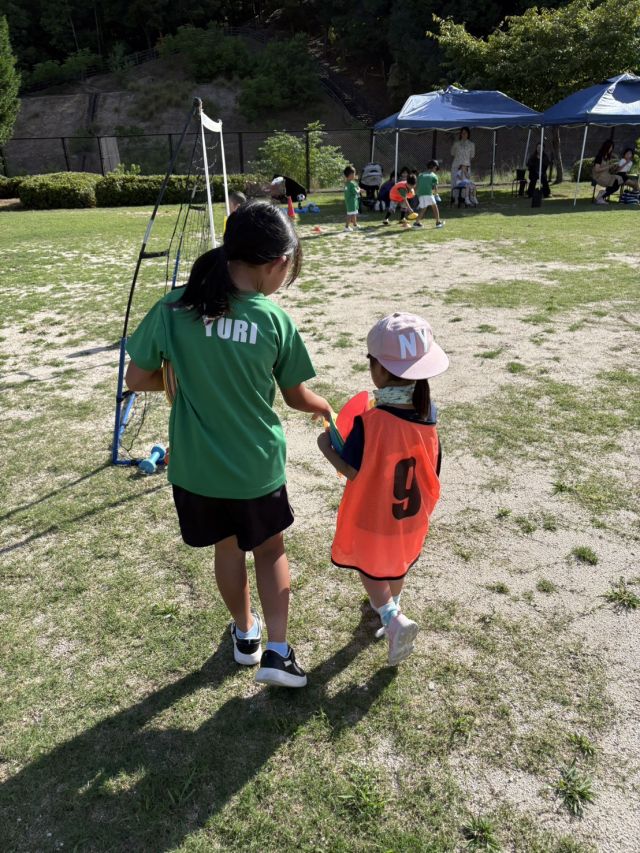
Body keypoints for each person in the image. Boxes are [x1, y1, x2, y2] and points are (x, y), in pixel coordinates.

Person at [125, 201, 331, 689]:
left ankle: (245, 637)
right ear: (278, 262)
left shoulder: (175, 308)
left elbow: (137, 377)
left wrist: (180, 379)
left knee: (227, 548)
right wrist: (323, 406)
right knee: (269, 549)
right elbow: (296, 395)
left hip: (197, 470)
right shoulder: (272, 320)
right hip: (255, 467)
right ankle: (277, 653)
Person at [317, 312, 449, 665]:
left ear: (377, 369)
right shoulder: (429, 414)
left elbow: (352, 469)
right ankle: (391, 606)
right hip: (409, 517)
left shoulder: (368, 423)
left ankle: (391, 617)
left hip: (374, 515)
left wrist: (325, 446)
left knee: (370, 567)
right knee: (394, 566)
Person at [592, 140, 624, 204]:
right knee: (616, 182)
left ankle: (601, 196)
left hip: (606, 175)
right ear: (606, 147)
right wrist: (609, 166)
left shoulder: (607, 157)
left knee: (617, 182)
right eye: (610, 147)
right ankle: (601, 196)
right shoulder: (599, 157)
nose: (611, 149)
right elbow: (596, 169)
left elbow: (608, 170)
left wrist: (614, 167)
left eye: (612, 147)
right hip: (599, 176)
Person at [416, 159, 445, 227]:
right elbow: (435, 186)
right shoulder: (434, 175)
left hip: (420, 194)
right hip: (428, 193)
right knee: (435, 207)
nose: (436, 169)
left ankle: (416, 223)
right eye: (436, 168)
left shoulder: (421, 175)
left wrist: (416, 194)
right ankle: (438, 222)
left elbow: (417, 185)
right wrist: (436, 194)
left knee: (424, 208)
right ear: (434, 167)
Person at [343, 165, 361, 231]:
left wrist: (357, 187)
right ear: (350, 175)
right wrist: (359, 190)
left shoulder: (347, 183)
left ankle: (355, 225)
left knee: (353, 214)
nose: (355, 175)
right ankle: (346, 227)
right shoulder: (351, 184)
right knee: (350, 215)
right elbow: (356, 192)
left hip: (349, 201)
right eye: (354, 173)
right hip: (352, 202)